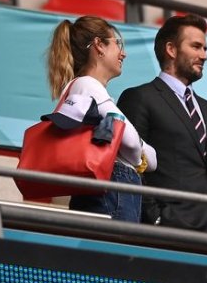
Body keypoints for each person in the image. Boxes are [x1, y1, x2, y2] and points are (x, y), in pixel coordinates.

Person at [117, 14, 207, 237]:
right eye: (196, 47)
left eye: (205, 48)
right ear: (171, 49)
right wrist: (157, 219)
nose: (204, 55)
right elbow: (130, 167)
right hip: (172, 232)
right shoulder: (140, 98)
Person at [47, 15, 157, 222]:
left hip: (103, 193)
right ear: (99, 45)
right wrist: (139, 159)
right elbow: (132, 141)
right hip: (112, 193)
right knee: (115, 251)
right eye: (118, 43)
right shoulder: (88, 85)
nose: (123, 53)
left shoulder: (78, 87)